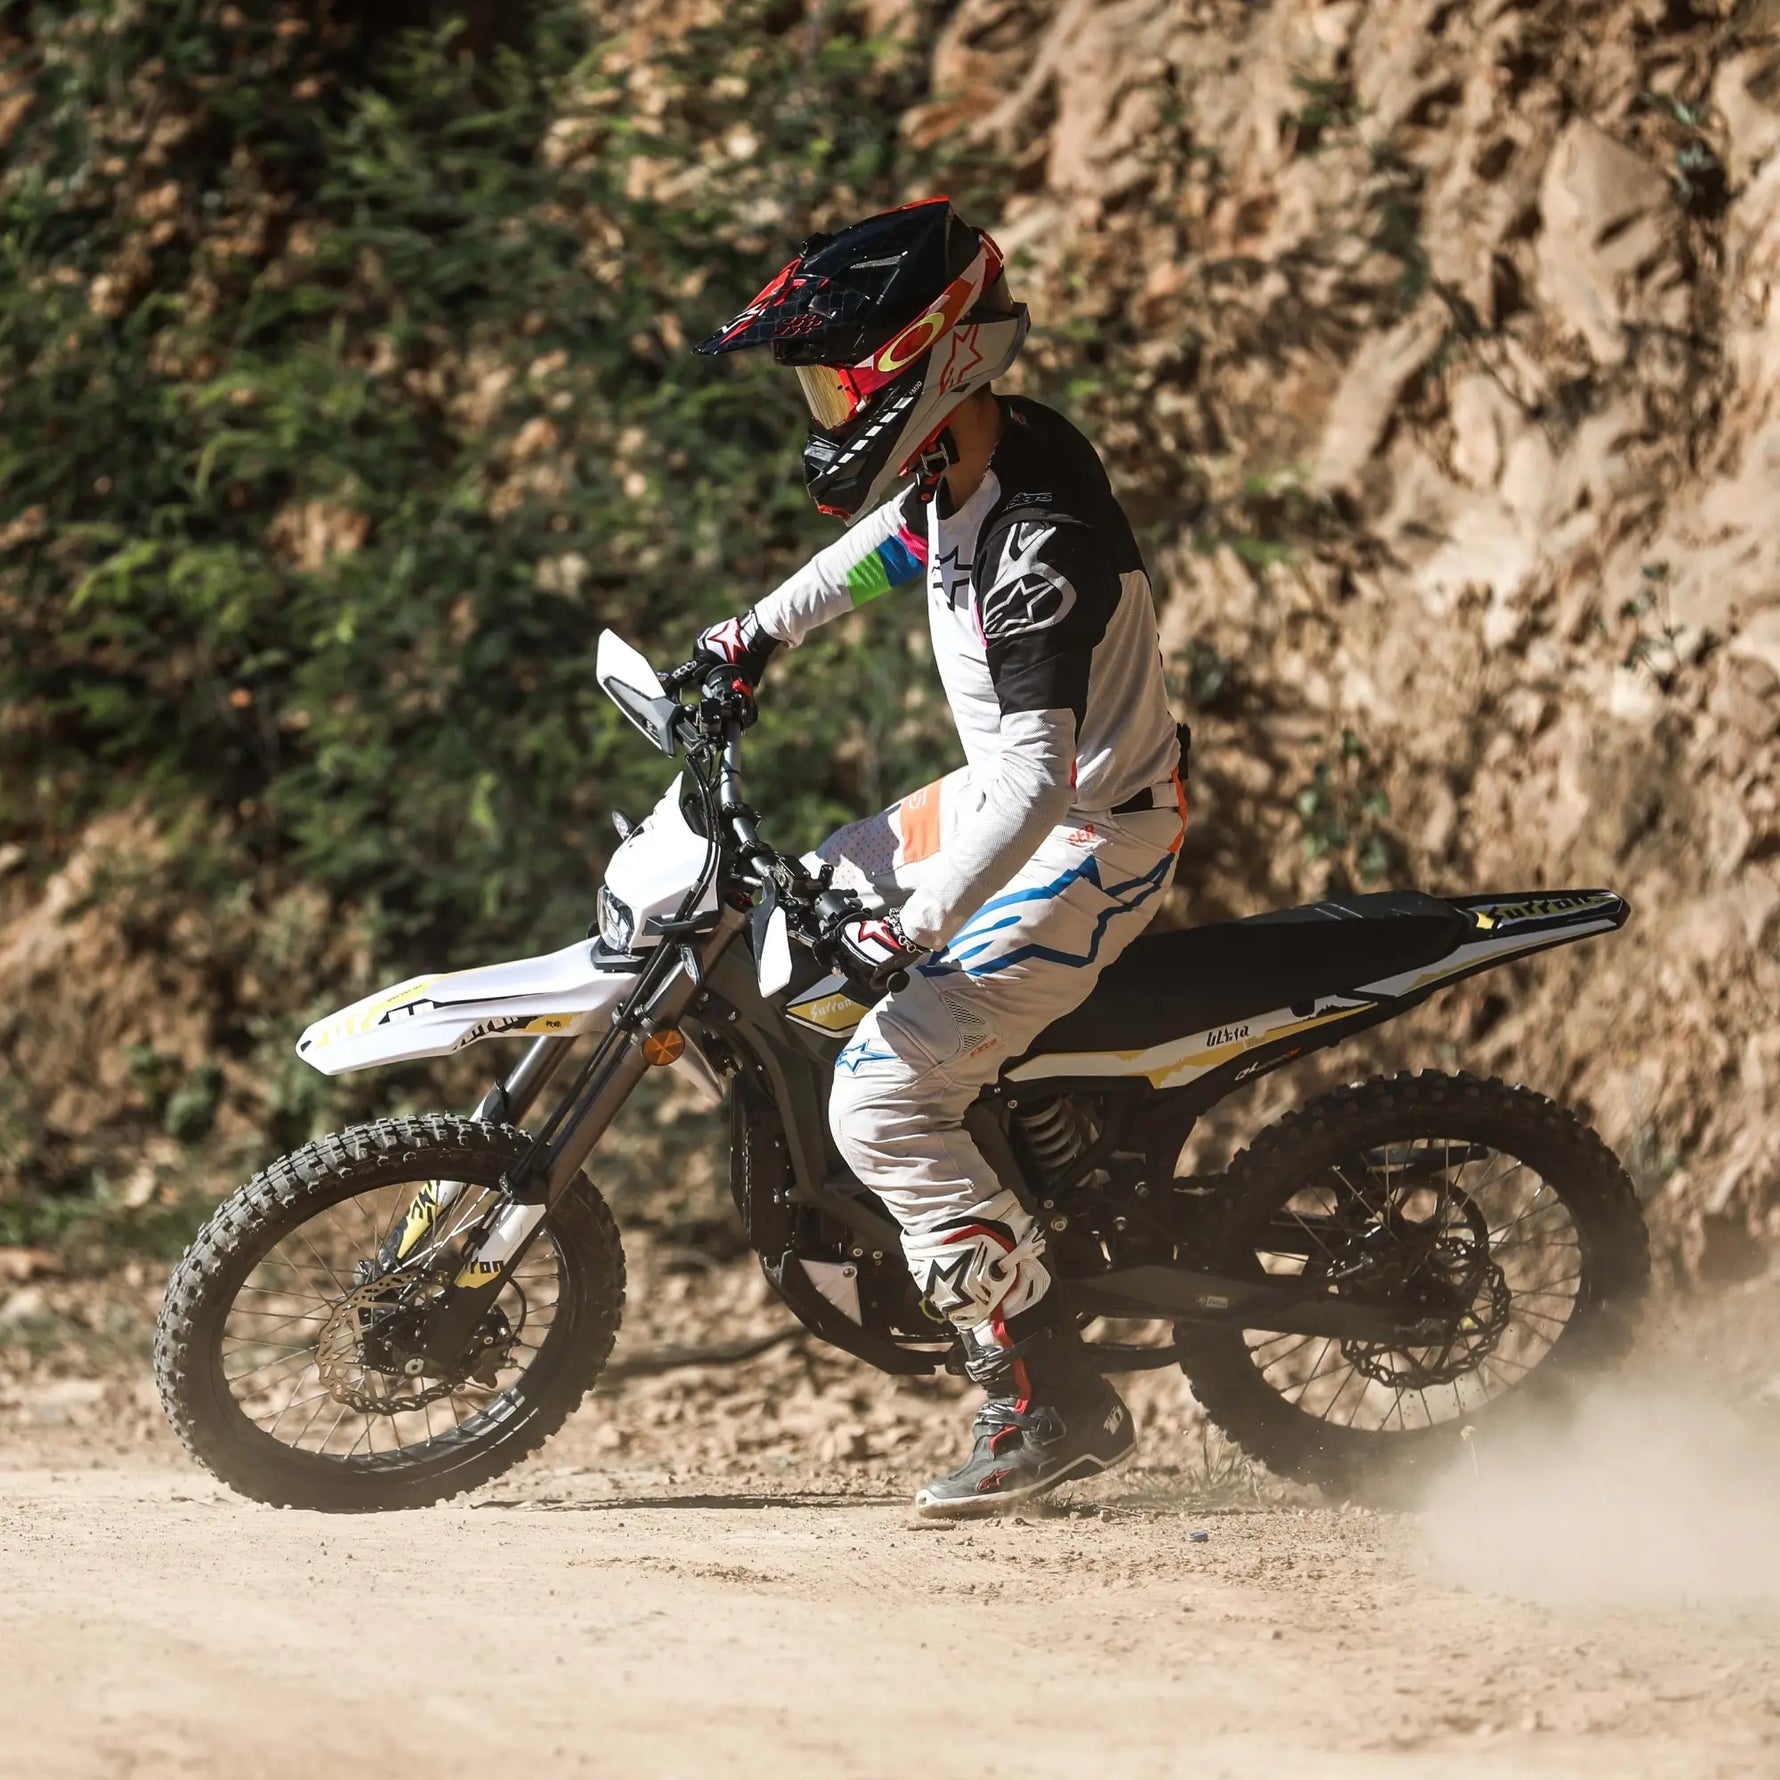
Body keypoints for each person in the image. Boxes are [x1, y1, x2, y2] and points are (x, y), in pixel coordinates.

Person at [687, 197, 1187, 1518]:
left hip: (1090, 836)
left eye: (842, 374)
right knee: (800, 930)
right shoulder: (968, 464)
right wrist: (757, 632)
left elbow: (1032, 780)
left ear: (935, 355)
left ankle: (1050, 1401)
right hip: (1020, 807)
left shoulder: (1038, 539)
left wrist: (908, 938)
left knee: (881, 1098)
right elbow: (895, 548)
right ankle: (985, 1186)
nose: (827, 401)